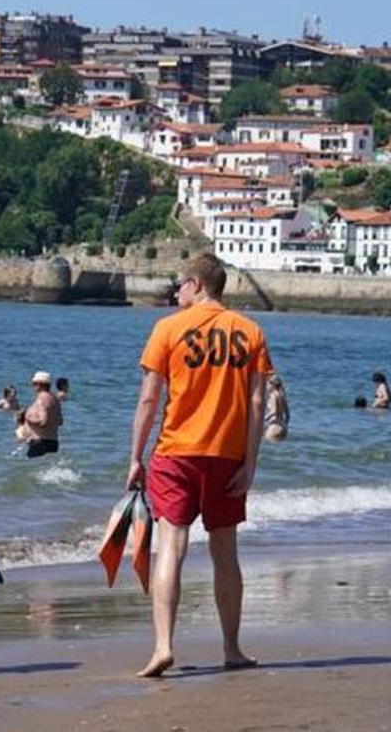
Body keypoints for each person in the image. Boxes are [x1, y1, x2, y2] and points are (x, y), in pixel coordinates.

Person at [127, 253, 270, 678]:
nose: (175, 292)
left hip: (176, 452)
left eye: (179, 285)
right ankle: (231, 648)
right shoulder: (250, 330)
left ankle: (163, 646)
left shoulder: (168, 328)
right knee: (225, 553)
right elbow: (258, 403)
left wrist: (135, 457)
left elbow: (149, 400)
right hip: (227, 455)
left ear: (195, 284)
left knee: (171, 546)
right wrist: (250, 462)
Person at [22, 371, 63, 458]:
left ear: (40, 384)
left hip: (40, 443)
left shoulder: (42, 397)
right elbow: (60, 421)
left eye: (34, 384)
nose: (33, 386)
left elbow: (43, 422)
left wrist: (28, 417)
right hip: (53, 443)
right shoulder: (54, 399)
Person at [263, 371, 290, 441]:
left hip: (273, 425)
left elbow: (273, 411)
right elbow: (288, 415)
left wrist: (263, 420)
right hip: (282, 427)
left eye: (267, 383)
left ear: (272, 385)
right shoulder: (282, 395)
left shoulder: (273, 395)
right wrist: (285, 425)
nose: (266, 385)